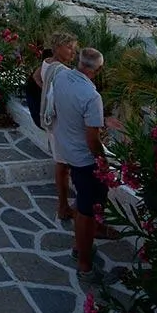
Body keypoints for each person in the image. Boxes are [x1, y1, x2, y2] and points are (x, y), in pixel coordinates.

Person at [48, 47, 109, 280]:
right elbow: (92, 138)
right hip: (84, 159)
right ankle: (84, 264)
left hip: (66, 150)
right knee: (86, 210)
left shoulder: (62, 76)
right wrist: (102, 160)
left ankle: (81, 246)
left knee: (85, 202)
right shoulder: (91, 97)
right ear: (97, 70)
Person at [34, 31, 80, 221]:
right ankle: (63, 206)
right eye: (69, 47)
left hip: (51, 121)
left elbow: (37, 77)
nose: (73, 52)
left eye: (74, 49)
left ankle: (64, 205)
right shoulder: (63, 72)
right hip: (60, 124)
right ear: (58, 47)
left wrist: (46, 93)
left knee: (61, 165)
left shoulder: (47, 64)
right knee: (63, 166)